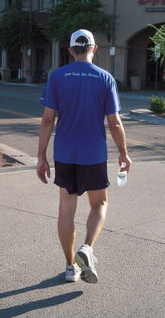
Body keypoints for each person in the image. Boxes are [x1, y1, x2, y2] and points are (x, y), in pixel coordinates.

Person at [37, 29, 132, 284]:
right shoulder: (105, 78)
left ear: (70, 50)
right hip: (94, 153)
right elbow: (114, 123)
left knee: (66, 209)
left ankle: (70, 267)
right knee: (99, 204)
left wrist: (41, 156)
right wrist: (123, 153)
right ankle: (87, 249)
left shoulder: (56, 77)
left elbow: (48, 119)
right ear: (94, 48)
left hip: (65, 153)